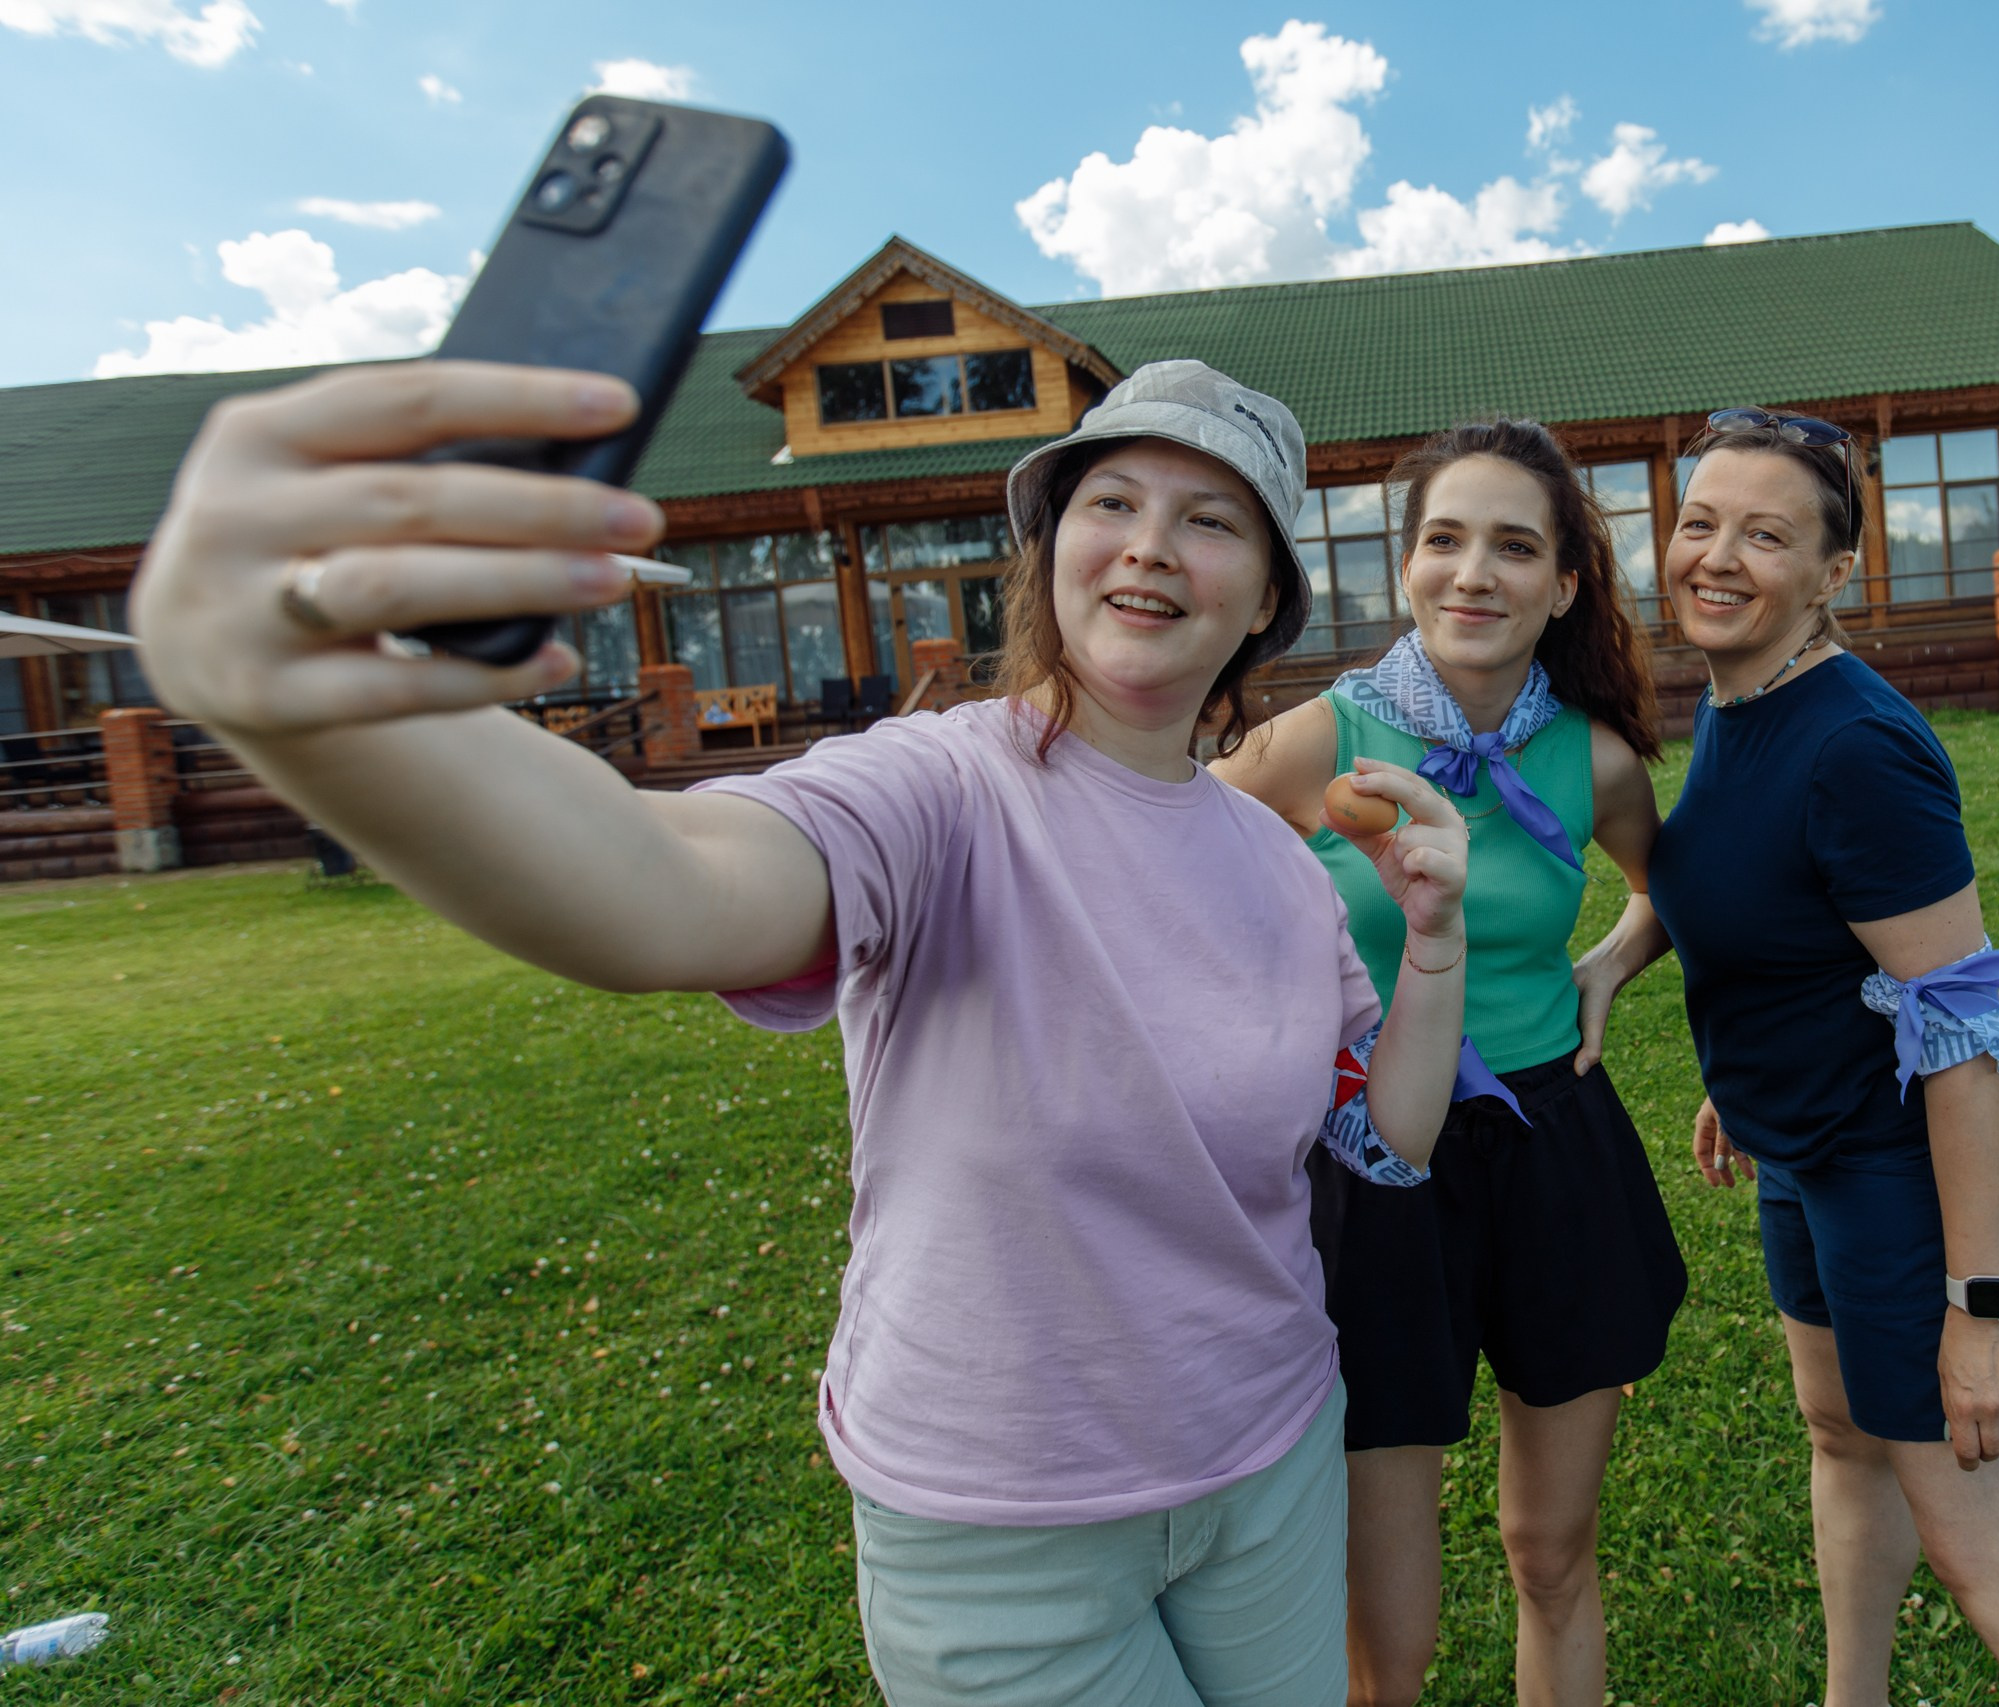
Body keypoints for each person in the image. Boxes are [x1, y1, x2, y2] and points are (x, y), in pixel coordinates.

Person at [131, 357, 1480, 1707]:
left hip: (1271, 1457)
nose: (1147, 544)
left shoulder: (1277, 864)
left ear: (1262, 599)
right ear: (1052, 548)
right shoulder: (943, 787)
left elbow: (1382, 1140)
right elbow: (676, 885)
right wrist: (322, 702)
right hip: (1002, 1518)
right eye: (1111, 499)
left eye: (1210, 520)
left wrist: (1430, 947)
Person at [1641, 407, 1999, 1704]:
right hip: (1796, 1155)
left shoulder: (1856, 747)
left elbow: (1964, 1033)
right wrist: (1744, 1064)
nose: (1716, 556)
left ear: (1834, 573)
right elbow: (1768, 903)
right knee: (1844, 1443)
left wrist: (1983, 1311)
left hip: (1898, 1188)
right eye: (1700, 521)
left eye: (1765, 535)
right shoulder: (1740, 692)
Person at [1215, 419, 1685, 1707]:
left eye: (1515, 547)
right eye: (1445, 540)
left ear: (1565, 583)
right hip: (1376, 1165)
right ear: (1405, 565)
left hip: (1556, 1153)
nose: (1474, 573)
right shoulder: (1317, 741)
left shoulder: (1591, 757)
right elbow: (1161, 853)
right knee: (1394, 1632)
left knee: (1552, 1552)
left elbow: (1672, 893)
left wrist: (1608, 963)